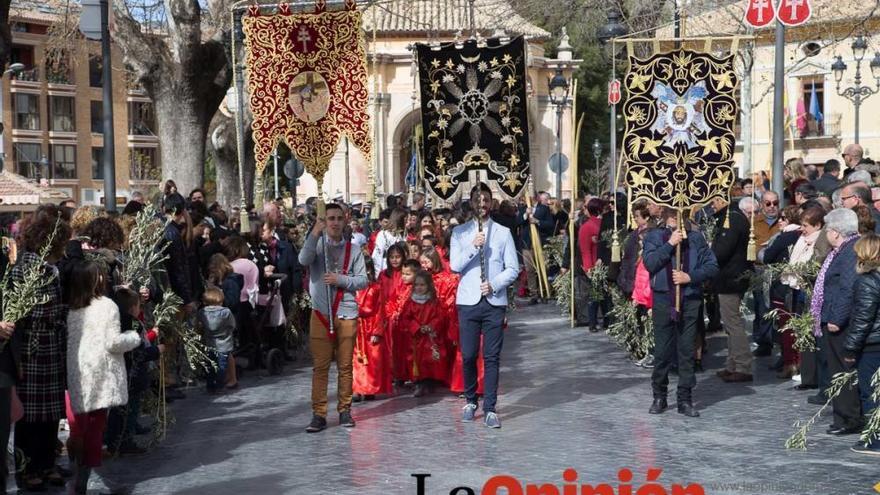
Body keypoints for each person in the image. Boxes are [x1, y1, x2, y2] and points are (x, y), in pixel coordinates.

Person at [65, 261, 142, 494]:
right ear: (97, 279)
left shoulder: (71, 307)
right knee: (96, 426)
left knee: (79, 423)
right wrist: (133, 337)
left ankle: (75, 460)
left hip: (78, 370)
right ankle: (84, 476)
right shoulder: (107, 306)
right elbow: (112, 342)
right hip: (102, 372)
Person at [451, 183, 519, 429]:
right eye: (478, 200)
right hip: (468, 302)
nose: (482, 204)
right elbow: (454, 266)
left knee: (492, 357)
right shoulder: (459, 233)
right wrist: (473, 246)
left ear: (491, 202)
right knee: (469, 355)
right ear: (471, 202)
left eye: (486, 199)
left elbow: (513, 268)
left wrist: (494, 284)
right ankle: (470, 399)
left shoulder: (503, 232)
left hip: (493, 302)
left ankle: (490, 406)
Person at [13, 214, 72, 492]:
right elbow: (25, 311)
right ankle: (28, 469)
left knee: (51, 414)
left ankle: (47, 464)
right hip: (33, 349)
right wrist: (61, 313)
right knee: (30, 416)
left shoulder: (49, 266)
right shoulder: (27, 267)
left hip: (50, 348)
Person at [642, 208, 718, 417]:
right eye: (671, 212)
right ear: (665, 213)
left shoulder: (695, 238)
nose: (675, 216)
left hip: (690, 299)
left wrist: (690, 277)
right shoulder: (655, 236)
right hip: (664, 298)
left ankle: (685, 398)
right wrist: (669, 244)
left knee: (686, 351)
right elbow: (650, 263)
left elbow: (712, 266)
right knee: (662, 351)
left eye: (680, 213)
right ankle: (659, 395)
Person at [299, 203, 367, 433]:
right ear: (324, 221)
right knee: (320, 367)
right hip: (320, 312)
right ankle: (318, 414)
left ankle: (345, 410)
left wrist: (341, 280)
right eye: (330, 218)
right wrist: (314, 233)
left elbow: (362, 281)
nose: (335, 222)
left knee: (345, 366)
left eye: (339, 218)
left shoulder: (354, 250)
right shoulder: (317, 246)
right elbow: (303, 260)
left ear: (345, 220)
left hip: (346, 312)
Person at [811, 208, 862, 436]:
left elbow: (847, 288)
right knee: (836, 369)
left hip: (839, 321)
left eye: (827, 229)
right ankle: (842, 415)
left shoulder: (850, 250)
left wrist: (836, 318)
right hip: (832, 316)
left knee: (843, 369)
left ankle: (849, 418)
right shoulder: (842, 250)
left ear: (835, 231)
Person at [711, 196, 755, 383]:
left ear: (722, 199)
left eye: (714, 200)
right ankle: (732, 364)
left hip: (731, 278)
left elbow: (722, 251)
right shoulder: (730, 216)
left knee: (733, 322)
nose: (712, 204)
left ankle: (743, 365)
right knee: (730, 323)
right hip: (729, 277)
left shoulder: (732, 218)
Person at [845, 232, 880, 455]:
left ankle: (875, 439)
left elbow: (862, 319)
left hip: (873, 345)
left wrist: (850, 348)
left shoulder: (868, 281)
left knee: (871, 393)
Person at [398, 270, 448, 397]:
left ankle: (430, 381)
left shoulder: (434, 302)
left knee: (430, 360)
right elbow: (405, 318)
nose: (419, 288)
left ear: (429, 286)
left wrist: (431, 326)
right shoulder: (410, 302)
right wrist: (417, 327)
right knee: (416, 361)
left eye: (422, 285)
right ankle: (418, 383)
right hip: (416, 338)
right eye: (417, 285)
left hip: (430, 337)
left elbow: (440, 317)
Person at [352, 259, 392, 401]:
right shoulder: (350, 288)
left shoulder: (376, 288)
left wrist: (377, 331)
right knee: (355, 360)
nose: (366, 272)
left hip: (370, 326)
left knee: (372, 359)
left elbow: (380, 310)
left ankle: (369, 388)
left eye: (368, 269)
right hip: (354, 326)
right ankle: (356, 389)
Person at [198, 287, 236, 394]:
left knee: (210, 365)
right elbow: (232, 325)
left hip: (209, 343)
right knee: (222, 366)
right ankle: (219, 384)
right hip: (224, 343)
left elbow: (200, 325)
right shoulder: (226, 312)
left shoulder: (202, 312)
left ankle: (210, 386)